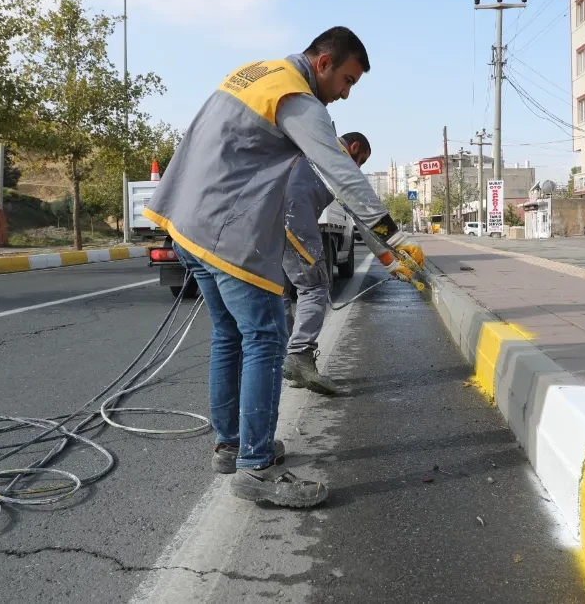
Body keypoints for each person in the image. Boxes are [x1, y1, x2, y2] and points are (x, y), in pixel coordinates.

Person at [143, 27, 424, 508]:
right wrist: (393, 239)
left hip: (185, 222)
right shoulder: (298, 98)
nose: (346, 93)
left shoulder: (254, 73)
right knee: (266, 338)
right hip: (227, 232)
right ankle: (257, 467)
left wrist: (380, 254)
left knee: (229, 335)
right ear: (323, 63)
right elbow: (341, 172)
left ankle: (230, 445)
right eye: (347, 80)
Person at [282, 132, 371, 395]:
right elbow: (365, 212)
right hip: (294, 219)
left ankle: (286, 358)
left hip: (264, 220)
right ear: (353, 147)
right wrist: (393, 254)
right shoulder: (337, 159)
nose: (358, 168)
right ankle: (300, 355)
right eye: (361, 160)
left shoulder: (310, 144)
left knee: (278, 292)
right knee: (314, 286)